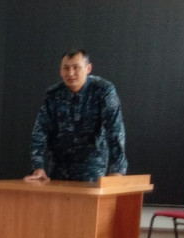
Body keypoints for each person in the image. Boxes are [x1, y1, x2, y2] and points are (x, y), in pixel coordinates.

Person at [24, 49, 128, 182]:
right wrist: (38, 166)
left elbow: (115, 131)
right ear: (60, 71)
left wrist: (117, 170)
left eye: (76, 67)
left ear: (88, 68)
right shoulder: (53, 94)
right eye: (66, 68)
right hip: (59, 164)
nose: (70, 73)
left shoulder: (103, 91)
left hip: (92, 165)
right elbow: (40, 131)